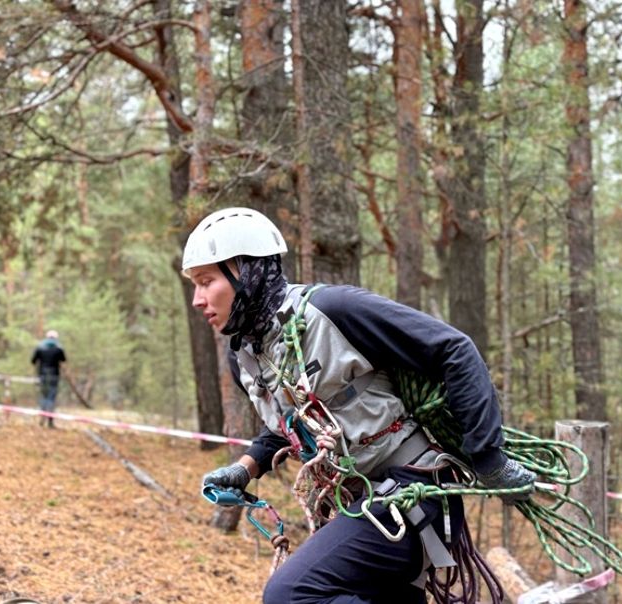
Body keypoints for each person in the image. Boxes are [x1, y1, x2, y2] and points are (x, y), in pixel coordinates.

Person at [184, 207, 535, 604]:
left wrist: (489, 460)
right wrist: (245, 469)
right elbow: (291, 424)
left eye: (206, 282)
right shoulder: (246, 355)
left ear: (244, 273)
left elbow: (454, 349)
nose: (197, 300)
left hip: (411, 490)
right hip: (360, 504)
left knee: (291, 596)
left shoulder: (333, 311)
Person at [31, 329, 66, 428]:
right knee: (52, 397)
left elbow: (33, 361)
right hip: (54, 375)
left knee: (43, 396)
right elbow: (63, 359)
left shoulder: (40, 347)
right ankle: (50, 420)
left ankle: (42, 417)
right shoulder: (59, 348)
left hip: (42, 375)